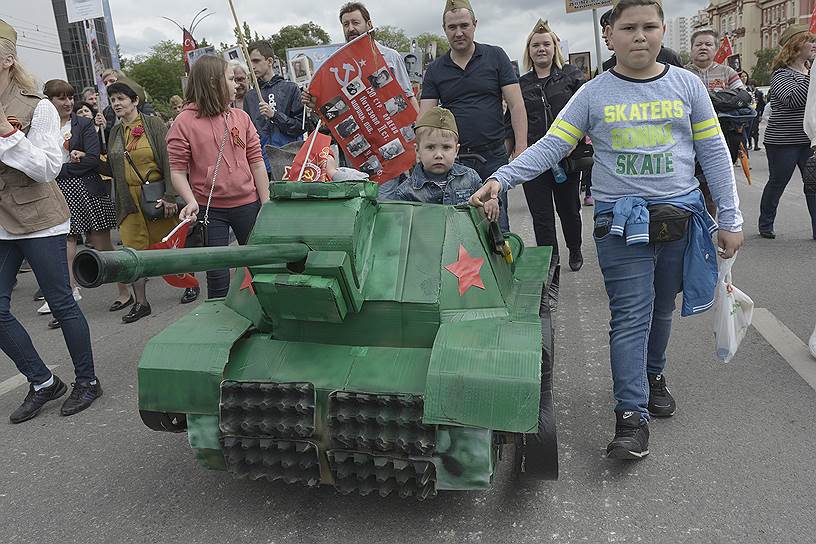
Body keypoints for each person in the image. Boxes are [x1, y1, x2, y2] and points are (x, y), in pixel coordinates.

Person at [469, 0, 744, 459]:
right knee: (631, 316)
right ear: (609, 36)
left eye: (650, 27)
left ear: (661, 33)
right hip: (620, 224)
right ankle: (630, 418)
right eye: (629, 27)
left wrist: (731, 219)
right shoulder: (593, 93)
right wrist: (501, 177)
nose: (641, 36)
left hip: (680, 218)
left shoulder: (688, 85)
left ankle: (654, 375)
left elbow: (714, 152)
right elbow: (552, 145)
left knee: (661, 310)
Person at [0, 18, 102, 422]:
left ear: (7, 60)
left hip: (40, 218)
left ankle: (87, 381)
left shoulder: (37, 106)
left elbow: (47, 168)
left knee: (61, 302)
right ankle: (42, 381)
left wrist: (8, 138)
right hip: (2, 221)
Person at [420, 0, 527, 232]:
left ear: (474, 25)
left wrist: (521, 147)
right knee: (458, 226)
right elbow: (425, 118)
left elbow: (516, 104)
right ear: (444, 29)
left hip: (493, 157)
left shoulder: (496, 56)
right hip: (453, 160)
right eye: (452, 27)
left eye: (464, 25)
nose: (459, 32)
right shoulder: (436, 69)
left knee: (497, 224)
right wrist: (421, 154)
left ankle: (502, 267)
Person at [168, 55, 270, 299]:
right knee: (217, 273)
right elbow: (177, 170)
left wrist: (265, 202)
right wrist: (190, 200)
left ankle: (265, 315)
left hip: (248, 204)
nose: (236, 84)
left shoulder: (241, 117)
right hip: (210, 208)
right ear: (214, 83)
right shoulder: (184, 122)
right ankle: (219, 321)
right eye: (231, 79)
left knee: (261, 265)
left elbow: (256, 161)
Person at [102, 80, 198, 322]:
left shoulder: (153, 124)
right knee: (132, 252)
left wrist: (169, 196)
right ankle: (141, 302)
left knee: (168, 246)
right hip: (128, 200)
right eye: (113, 100)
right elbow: (113, 167)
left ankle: (189, 283)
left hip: (156, 196)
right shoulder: (114, 131)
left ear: (135, 100)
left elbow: (169, 161)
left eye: (121, 98)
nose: (116, 104)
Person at [302, 2, 419, 199]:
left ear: (369, 24)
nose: (351, 29)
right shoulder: (334, 67)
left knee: (395, 201)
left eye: (355, 22)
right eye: (345, 24)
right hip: (363, 151)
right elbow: (330, 113)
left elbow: (408, 97)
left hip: (397, 142)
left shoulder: (390, 57)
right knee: (370, 200)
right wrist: (313, 105)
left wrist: (420, 137)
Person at [42, 79, 122, 329]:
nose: (67, 103)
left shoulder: (84, 123)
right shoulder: (43, 128)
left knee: (102, 244)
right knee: (65, 242)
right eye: (60, 98)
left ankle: (126, 289)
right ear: (49, 101)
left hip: (87, 189)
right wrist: (62, 168)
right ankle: (69, 294)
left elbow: (91, 160)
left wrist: (57, 169)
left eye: (70, 97)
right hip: (58, 192)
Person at [510, 19, 586, 271]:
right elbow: (510, 118)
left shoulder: (571, 76)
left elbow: (586, 111)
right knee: (541, 216)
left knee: (569, 210)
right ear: (528, 51)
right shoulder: (520, 84)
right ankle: (549, 262)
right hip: (534, 158)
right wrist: (511, 151)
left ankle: (574, 249)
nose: (541, 49)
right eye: (535, 45)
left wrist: (577, 138)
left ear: (555, 47)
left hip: (566, 156)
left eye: (546, 44)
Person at [759, 25, 816, 240]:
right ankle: (766, 224)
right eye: (809, 40)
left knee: (813, 184)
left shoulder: (810, 72)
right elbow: (791, 100)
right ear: (795, 46)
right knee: (778, 182)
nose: (814, 45)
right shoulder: (781, 74)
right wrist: (812, 77)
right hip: (783, 140)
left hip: (809, 140)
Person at [393, 106, 484, 204]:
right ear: (418, 150)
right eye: (430, 147)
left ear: (456, 150)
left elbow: (485, 211)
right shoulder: (406, 193)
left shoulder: (471, 178)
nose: (438, 155)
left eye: (446, 147)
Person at [243, 40, 305, 176]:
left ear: (269, 61)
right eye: (249, 62)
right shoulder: (250, 96)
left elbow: (300, 126)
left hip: (289, 161)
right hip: (261, 165)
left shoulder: (290, 88)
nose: (252, 66)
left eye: (256, 61)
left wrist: (275, 115)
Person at [599, 8, 683, 71]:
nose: (604, 35)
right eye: (628, 28)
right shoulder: (605, 68)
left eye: (649, 27)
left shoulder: (668, 57)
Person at [100, 69, 156, 141]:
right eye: (105, 83)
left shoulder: (143, 106)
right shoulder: (107, 111)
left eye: (112, 81)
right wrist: (104, 128)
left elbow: (154, 136)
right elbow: (110, 142)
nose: (108, 85)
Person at [750, 81, 766, 151]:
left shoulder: (759, 93)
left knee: (755, 129)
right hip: (748, 113)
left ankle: (756, 145)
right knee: (749, 129)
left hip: (756, 113)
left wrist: (760, 114)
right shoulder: (746, 92)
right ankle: (750, 144)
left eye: (753, 85)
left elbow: (762, 105)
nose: (752, 87)